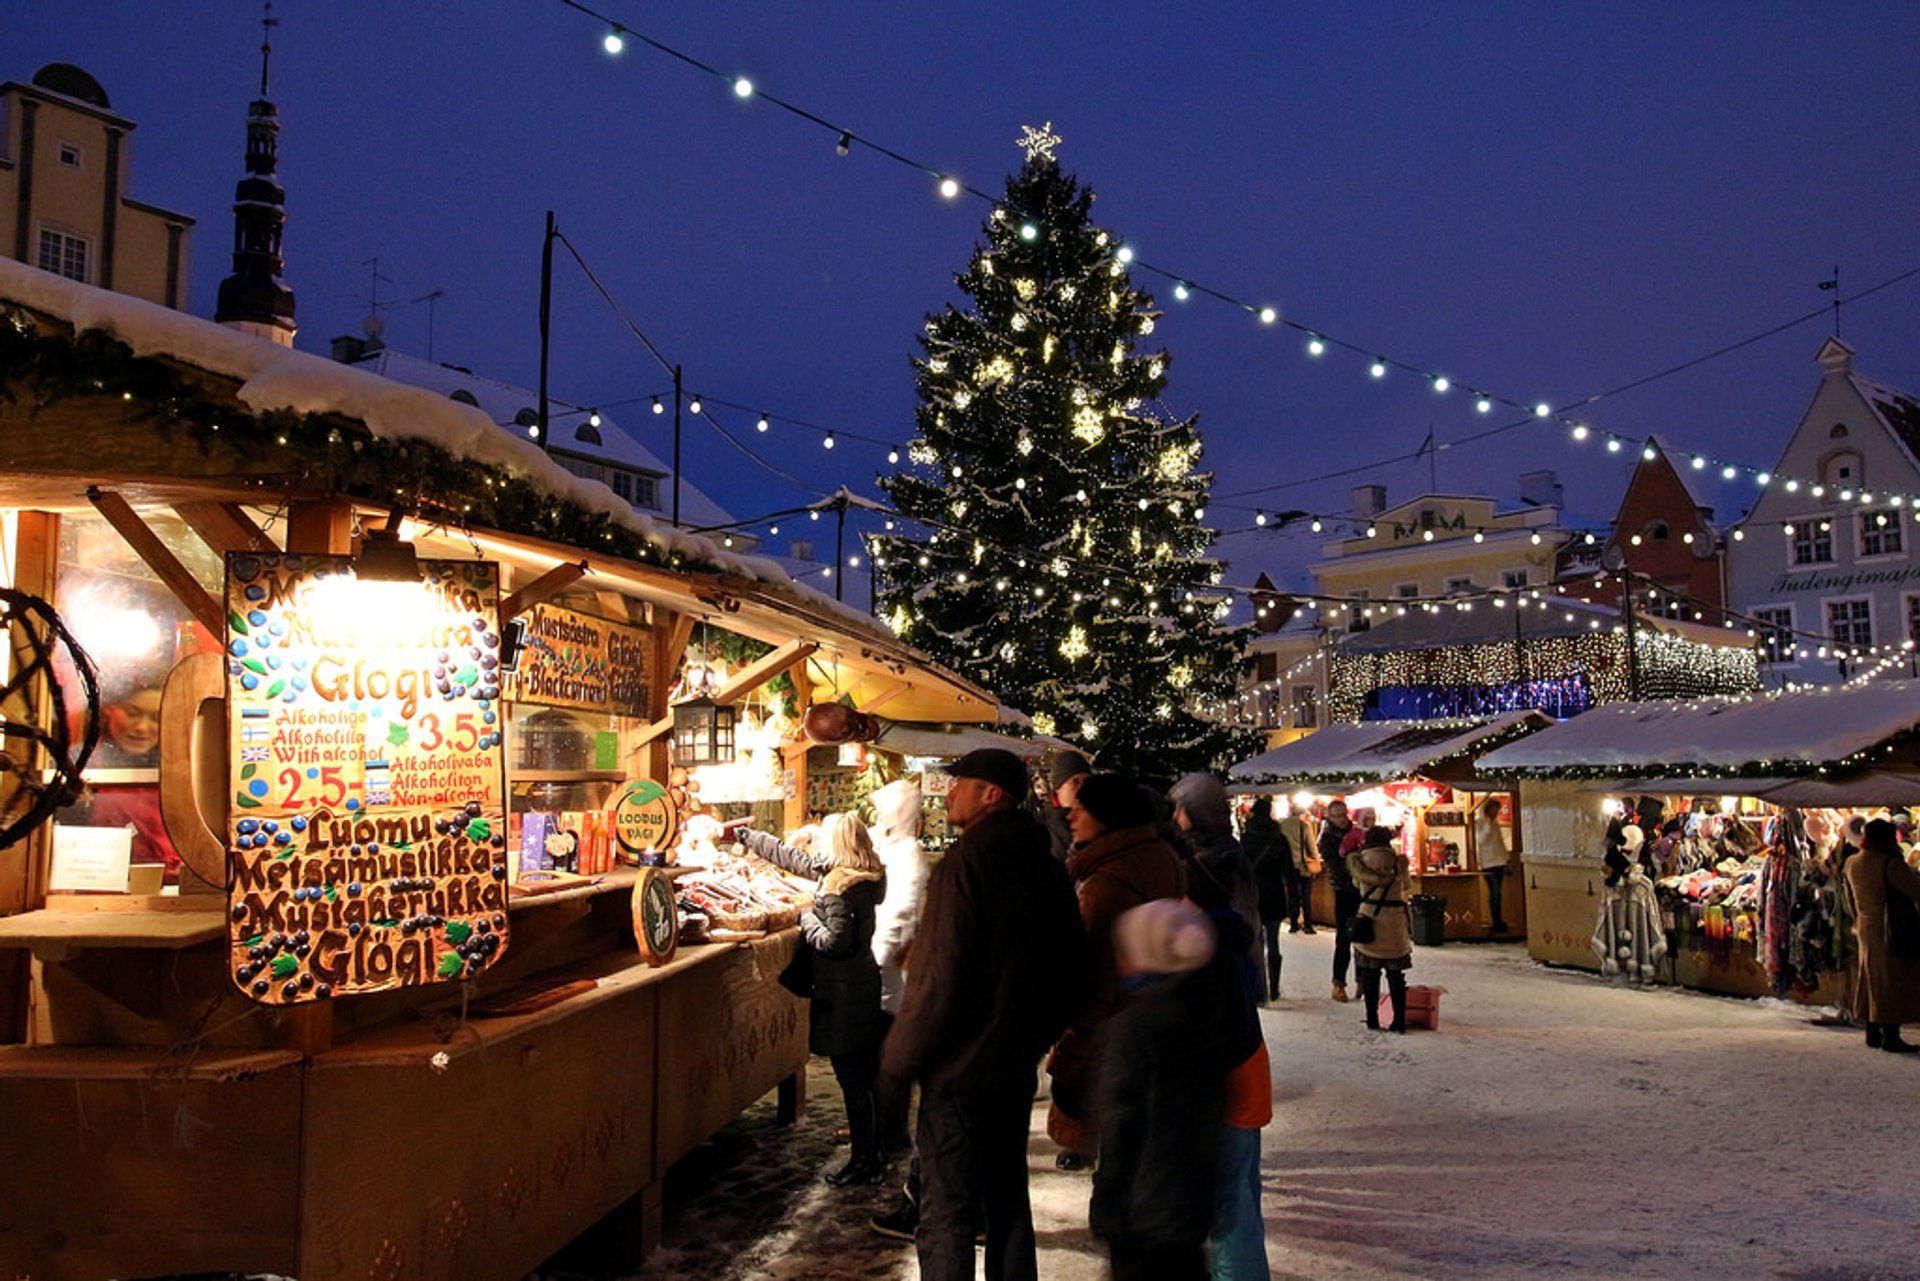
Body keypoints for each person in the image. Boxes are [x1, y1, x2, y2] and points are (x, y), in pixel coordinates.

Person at [881, 748, 1091, 1281]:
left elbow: (938, 976)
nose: (948, 792)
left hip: (959, 1071)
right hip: (1011, 1066)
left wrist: (898, 1061)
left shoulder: (965, 865)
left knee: (947, 1210)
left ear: (991, 794)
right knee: (1006, 1200)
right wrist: (1032, 1039)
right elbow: (1072, 968)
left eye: (960, 784)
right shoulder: (1045, 867)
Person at [1090, 899, 1239, 1281]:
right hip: (1189, 1202)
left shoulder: (1136, 1025)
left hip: (1141, 1207)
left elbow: (1122, 1123)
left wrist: (1106, 1205)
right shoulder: (1203, 1010)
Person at [738, 812, 890, 1186]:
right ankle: (874, 1152)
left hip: (843, 994)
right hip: (859, 986)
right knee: (864, 1078)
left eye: (825, 838)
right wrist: (748, 836)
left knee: (853, 1081)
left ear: (837, 845)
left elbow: (833, 942)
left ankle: (865, 1160)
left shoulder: (841, 889)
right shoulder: (856, 876)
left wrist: (806, 916)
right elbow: (798, 860)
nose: (819, 845)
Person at [1048, 771, 1186, 1171]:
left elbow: (1096, 979)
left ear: (1107, 815)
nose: (1072, 816)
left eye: (1082, 809)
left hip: (1117, 1036)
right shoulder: (1159, 858)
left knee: (1121, 1162)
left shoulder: (1106, 885)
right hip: (1158, 1026)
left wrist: (1070, 1054)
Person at [1168, 773, 1271, 1279]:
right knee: (1238, 1188)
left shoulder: (1213, 865)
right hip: (1243, 1042)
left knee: (1229, 1199)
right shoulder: (1225, 860)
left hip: (1230, 1054)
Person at [868, 778, 928, 1152]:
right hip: (884, 965)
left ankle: (890, 1135)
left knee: (889, 1056)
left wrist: (877, 955)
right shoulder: (890, 844)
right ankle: (880, 1126)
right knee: (879, 1055)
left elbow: (901, 912)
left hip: (890, 968)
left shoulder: (907, 853)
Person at [1842, 818, 1920, 1053]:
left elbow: (1848, 900)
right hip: (1890, 927)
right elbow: (1915, 891)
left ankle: (1872, 1031)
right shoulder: (1890, 864)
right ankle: (1890, 1035)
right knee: (1889, 980)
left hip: (1865, 925)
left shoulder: (1852, 862)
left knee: (1869, 978)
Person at [1349, 825, 1413, 1032]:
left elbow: (1357, 885)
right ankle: (1399, 1021)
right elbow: (1407, 886)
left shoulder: (1361, 863)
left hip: (1369, 918)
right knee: (1395, 975)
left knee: (1370, 973)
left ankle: (1372, 1019)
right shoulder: (1397, 862)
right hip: (1394, 921)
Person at [1241, 796, 1291, 1001]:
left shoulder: (1245, 839)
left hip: (1252, 894)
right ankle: (1275, 988)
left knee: (1256, 943)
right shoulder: (1278, 839)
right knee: (1274, 941)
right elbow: (1289, 870)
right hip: (1274, 892)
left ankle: (1259, 989)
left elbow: (1240, 868)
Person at [1319, 799, 1358, 1002]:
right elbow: (1333, 865)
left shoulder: (1357, 832)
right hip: (1343, 891)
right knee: (1344, 939)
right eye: (1338, 815)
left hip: (1362, 890)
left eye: (1344, 814)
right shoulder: (1327, 839)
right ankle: (1338, 983)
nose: (1343, 819)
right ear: (1330, 817)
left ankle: (1363, 980)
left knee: (1364, 936)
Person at [1042, 749, 1093, 863]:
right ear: (1058, 789)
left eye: (1087, 781)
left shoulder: (1098, 822)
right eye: (1075, 782)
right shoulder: (1041, 827)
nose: (1083, 787)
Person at [1474, 796, 1512, 934]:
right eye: (1495, 810)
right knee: (1494, 891)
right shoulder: (1480, 823)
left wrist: (1506, 859)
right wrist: (1489, 824)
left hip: (1499, 861)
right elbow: (1481, 840)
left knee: (1498, 893)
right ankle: (1495, 920)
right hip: (1487, 863)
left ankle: (1498, 920)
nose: (1496, 813)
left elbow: (1499, 842)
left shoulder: (1496, 823)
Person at [1278, 801, 1315, 935]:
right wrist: (1315, 860)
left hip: (1288, 866)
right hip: (1302, 865)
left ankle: (1293, 923)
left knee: (1292, 894)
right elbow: (1311, 847)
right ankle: (1308, 924)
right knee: (1306, 896)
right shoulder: (1304, 826)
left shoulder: (1281, 825)